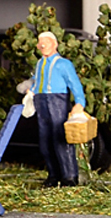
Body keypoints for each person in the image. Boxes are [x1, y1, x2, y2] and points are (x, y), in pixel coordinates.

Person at [30, 30, 88, 188]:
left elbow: (75, 84)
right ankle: (53, 175)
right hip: (41, 101)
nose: (43, 45)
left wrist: (79, 103)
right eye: (40, 42)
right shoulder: (40, 63)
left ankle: (69, 176)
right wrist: (30, 93)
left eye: (46, 41)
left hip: (57, 101)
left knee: (61, 139)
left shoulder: (63, 64)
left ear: (54, 44)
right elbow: (36, 81)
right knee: (45, 142)